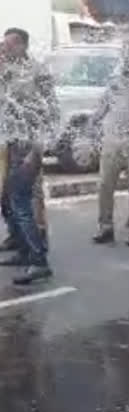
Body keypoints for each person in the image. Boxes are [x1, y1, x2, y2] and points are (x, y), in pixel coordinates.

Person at [0, 28, 59, 284]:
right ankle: (23, 251)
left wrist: (36, 152)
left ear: (24, 45)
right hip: (11, 144)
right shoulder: (8, 72)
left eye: (11, 44)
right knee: (9, 202)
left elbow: (50, 114)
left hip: (28, 148)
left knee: (21, 203)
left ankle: (39, 260)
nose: (5, 48)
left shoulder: (38, 73)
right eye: (4, 44)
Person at [90, 42, 129, 247]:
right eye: (127, 59)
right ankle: (105, 226)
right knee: (105, 185)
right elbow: (102, 107)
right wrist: (92, 124)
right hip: (112, 140)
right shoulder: (114, 83)